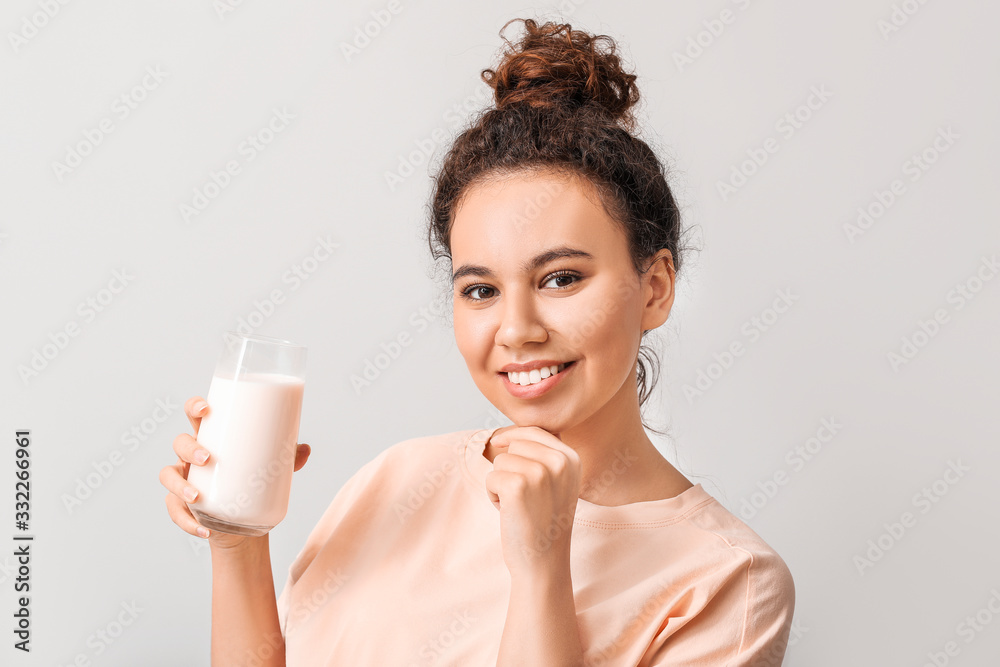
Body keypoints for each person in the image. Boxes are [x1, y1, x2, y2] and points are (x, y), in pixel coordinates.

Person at [161, 17, 795, 666]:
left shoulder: (727, 582)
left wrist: (542, 571)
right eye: (481, 290)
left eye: (561, 277)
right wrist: (236, 539)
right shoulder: (395, 480)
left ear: (655, 287)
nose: (517, 329)